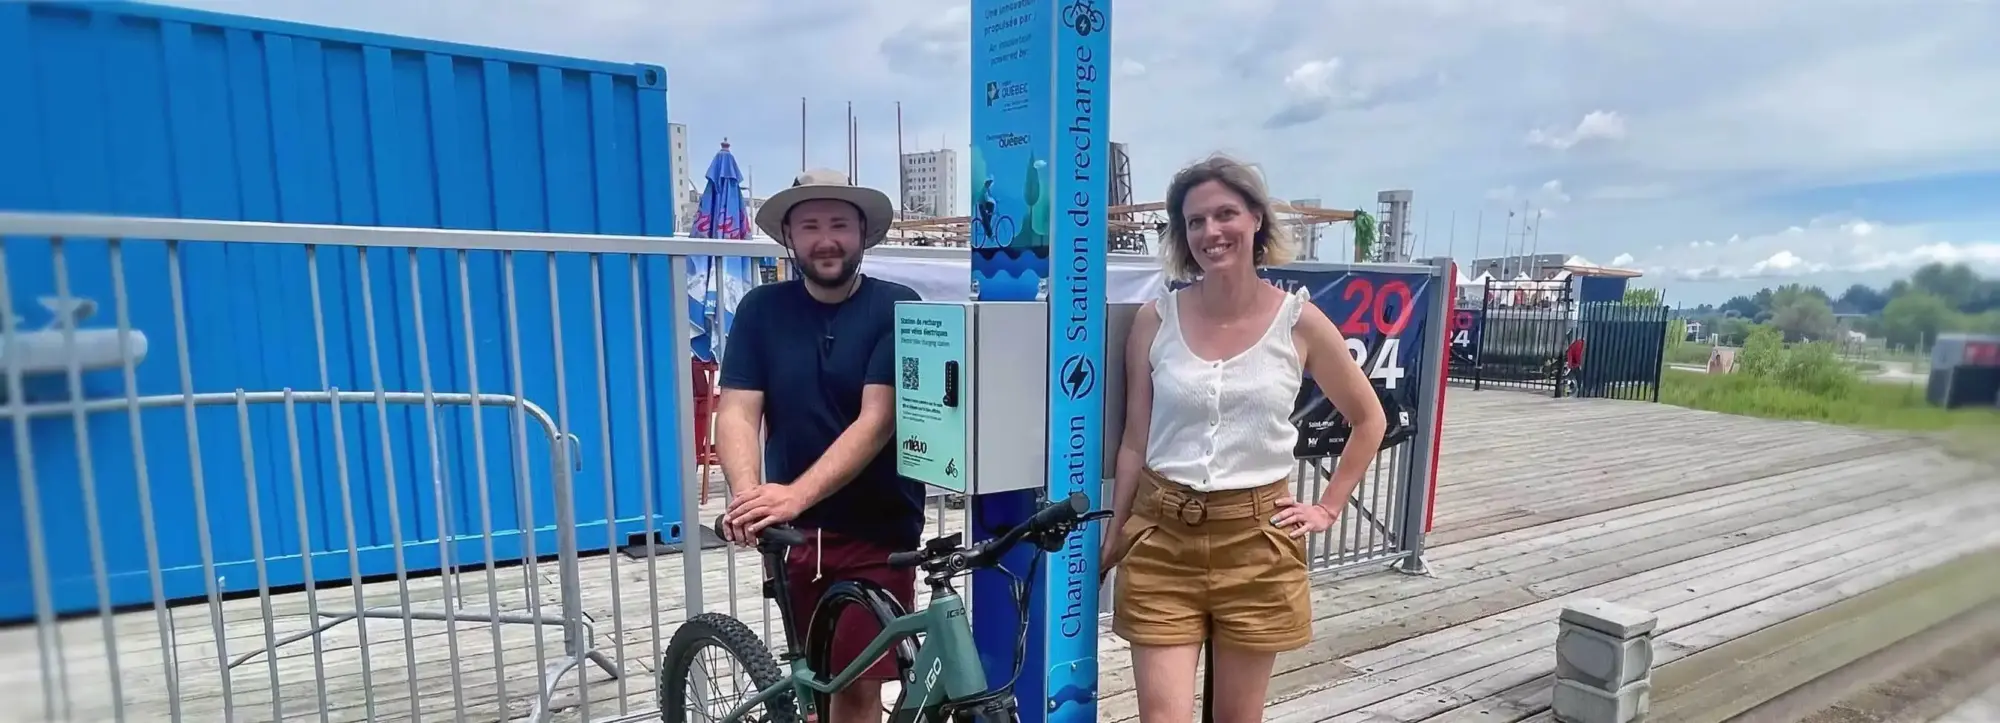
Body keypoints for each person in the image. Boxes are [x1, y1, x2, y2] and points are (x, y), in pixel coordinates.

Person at [1100, 155, 1388, 723]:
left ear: (1256, 218)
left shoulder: (1299, 322)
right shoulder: (1155, 321)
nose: (1211, 232)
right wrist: (1116, 534)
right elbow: (1136, 440)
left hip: (1257, 541)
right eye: (1195, 221)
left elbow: (1369, 419)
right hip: (1162, 537)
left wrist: (1329, 508)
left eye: (1225, 214)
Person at [715, 168, 924, 723]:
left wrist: (792, 496)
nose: (825, 239)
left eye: (839, 224)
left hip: (878, 531)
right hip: (795, 539)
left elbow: (877, 421)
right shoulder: (761, 310)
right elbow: (737, 408)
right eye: (809, 226)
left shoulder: (898, 306)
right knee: (818, 686)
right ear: (789, 237)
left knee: (857, 691)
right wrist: (746, 495)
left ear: (864, 234)